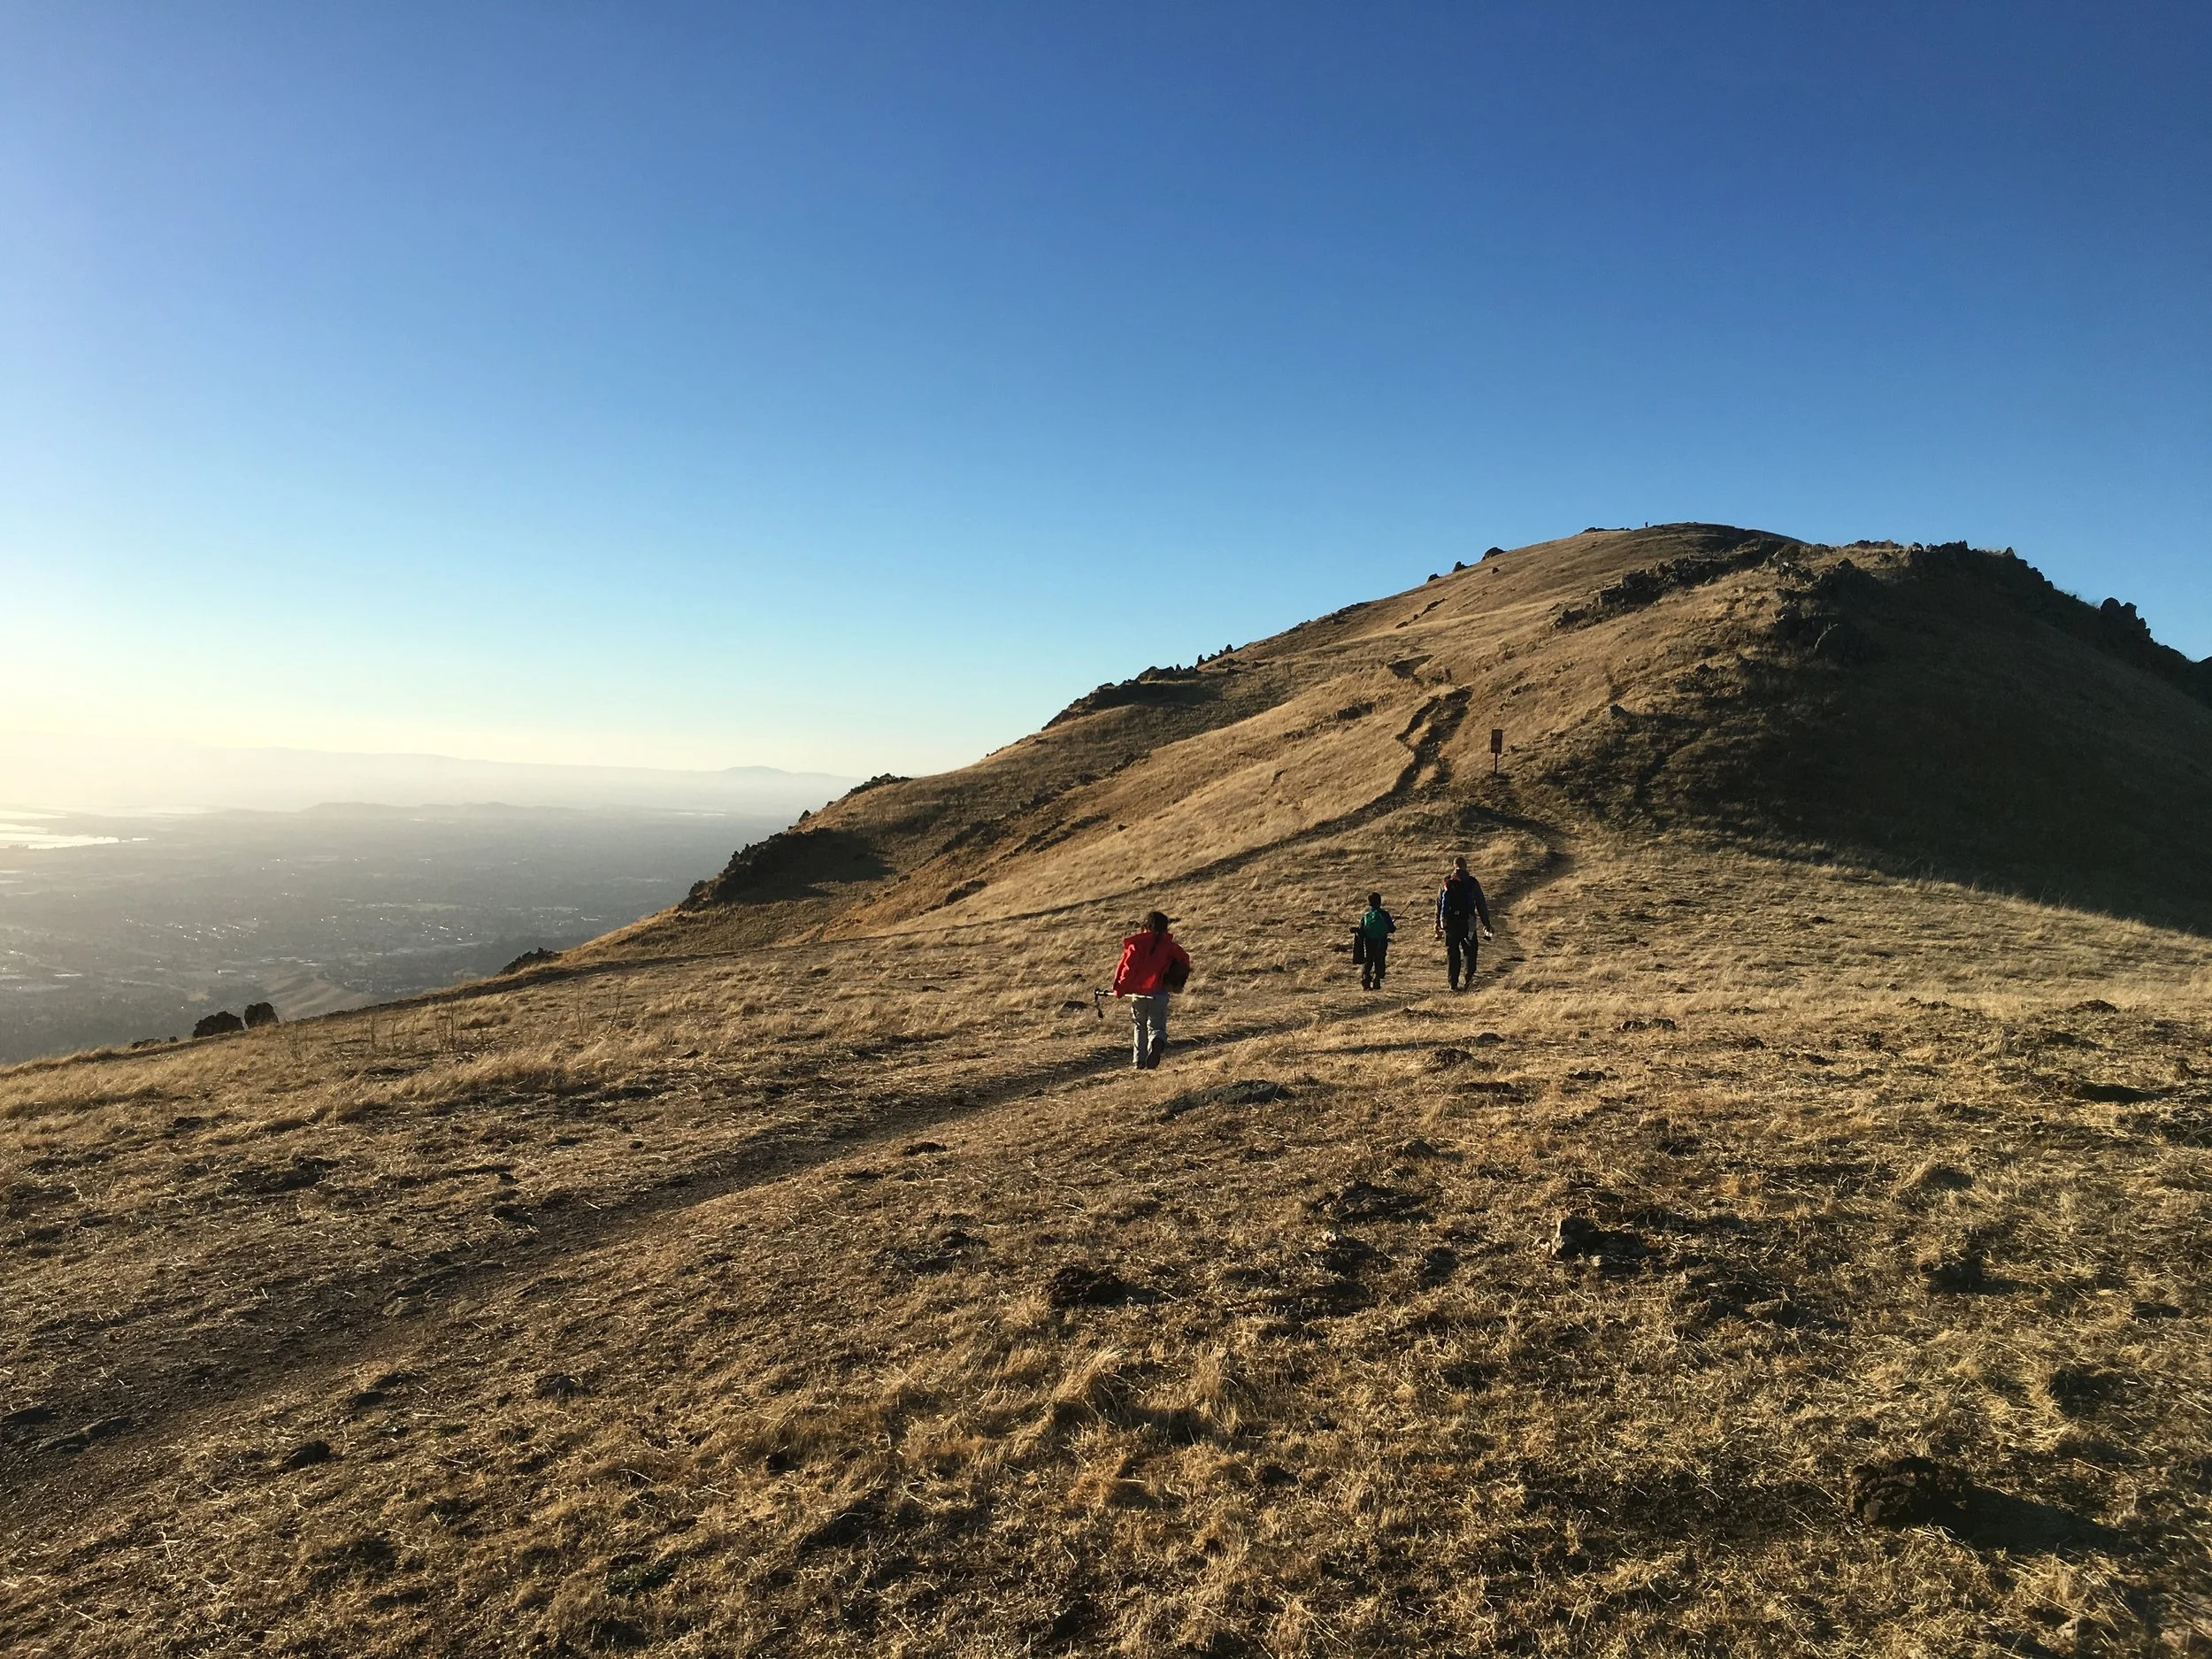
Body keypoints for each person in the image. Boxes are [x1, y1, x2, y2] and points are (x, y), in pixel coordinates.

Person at [1111, 910, 1191, 1070]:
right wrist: (1174, 980)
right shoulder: (1170, 947)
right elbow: (1184, 960)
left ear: (1144, 926)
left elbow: (1127, 969)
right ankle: (1156, 1042)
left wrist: (1120, 988)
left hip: (1137, 993)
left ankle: (1139, 1061)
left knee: (1139, 1025)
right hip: (1159, 993)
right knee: (1156, 1026)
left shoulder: (1135, 945)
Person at [1434, 856, 1494, 991]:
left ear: (1454, 866)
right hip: (1468, 924)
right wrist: (1487, 923)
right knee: (1470, 951)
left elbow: (1439, 904)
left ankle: (1453, 984)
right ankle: (1468, 978)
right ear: (1465, 866)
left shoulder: (1446, 882)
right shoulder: (1472, 882)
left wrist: (1437, 923)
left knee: (1452, 953)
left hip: (1450, 924)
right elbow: (1480, 904)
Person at [1357, 892, 1395, 989]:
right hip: (1381, 941)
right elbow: (1392, 929)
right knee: (1380, 959)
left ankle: (1365, 977)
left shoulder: (1366, 916)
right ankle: (1376, 978)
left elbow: (1361, 929)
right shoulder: (1384, 914)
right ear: (1380, 902)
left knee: (1368, 960)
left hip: (1368, 941)